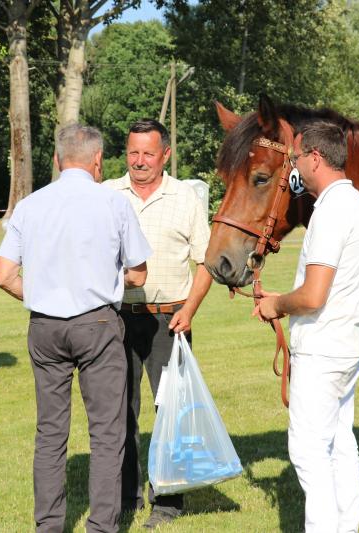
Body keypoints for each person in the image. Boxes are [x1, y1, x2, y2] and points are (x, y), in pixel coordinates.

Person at [0, 124, 152, 533]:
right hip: (96, 323)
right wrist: (105, 281)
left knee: (50, 432)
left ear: (57, 160)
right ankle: (101, 526)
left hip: (44, 328)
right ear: (98, 161)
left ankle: (48, 526)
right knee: (106, 432)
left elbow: (3, 275)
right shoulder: (113, 203)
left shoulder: (31, 205)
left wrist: (41, 293)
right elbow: (138, 274)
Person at [253, 121, 359, 533]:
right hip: (348, 343)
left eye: (296, 157)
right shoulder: (358, 204)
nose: (293, 165)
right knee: (340, 442)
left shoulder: (330, 211)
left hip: (324, 348)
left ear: (316, 158)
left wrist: (276, 305)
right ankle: (347, 525)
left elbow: (312, 297)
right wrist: (283, 298)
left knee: (308, 451)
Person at [103, 119, 212, 528]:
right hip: (115, 319)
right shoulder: (106, 194)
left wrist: (191, 309)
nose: (139, 161)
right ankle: (126, 496)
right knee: (119, 412)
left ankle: (167, 502)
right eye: (133, 152)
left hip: (170, 319)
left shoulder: (185, 197)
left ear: (166, 154)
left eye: (148, 153)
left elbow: (205, 262)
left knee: (171, 412)